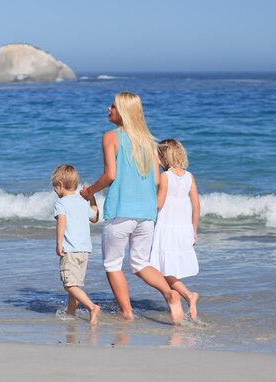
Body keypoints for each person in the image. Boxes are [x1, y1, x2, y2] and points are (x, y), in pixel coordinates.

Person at [80, 92, 183, 324]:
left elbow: (110, 175)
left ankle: (127, 314)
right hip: (146, 214)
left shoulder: (111, 137)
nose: (108, 109)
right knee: (140, 264)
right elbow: (156, 181)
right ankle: (170, 293)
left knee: (112, 264)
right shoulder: (149, 141)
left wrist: (89, 192)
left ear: (124, 112)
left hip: (120, 211)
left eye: (113, 106)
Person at [150, 139, 200, 319]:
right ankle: (177, 300)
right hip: (184, 228)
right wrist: (194, 230)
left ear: (164, 157)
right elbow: (196, 206)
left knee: (162, 269)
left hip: (166, 227)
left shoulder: (165, 177)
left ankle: (187, 295)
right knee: (168, 268)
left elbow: (159, 203)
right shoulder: (189, 176)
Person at [51, 164, 101, 324]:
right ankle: (71, 313)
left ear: (60, 184)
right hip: (85, 251)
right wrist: (91, 196)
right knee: (75, 285)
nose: (54, 191)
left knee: (69, 285)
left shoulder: (61, 203)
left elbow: (62, 223)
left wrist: (59, 243)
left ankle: (92, 307)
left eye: (54, 187)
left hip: (70, 250)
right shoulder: (82, 202)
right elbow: (95, 217)